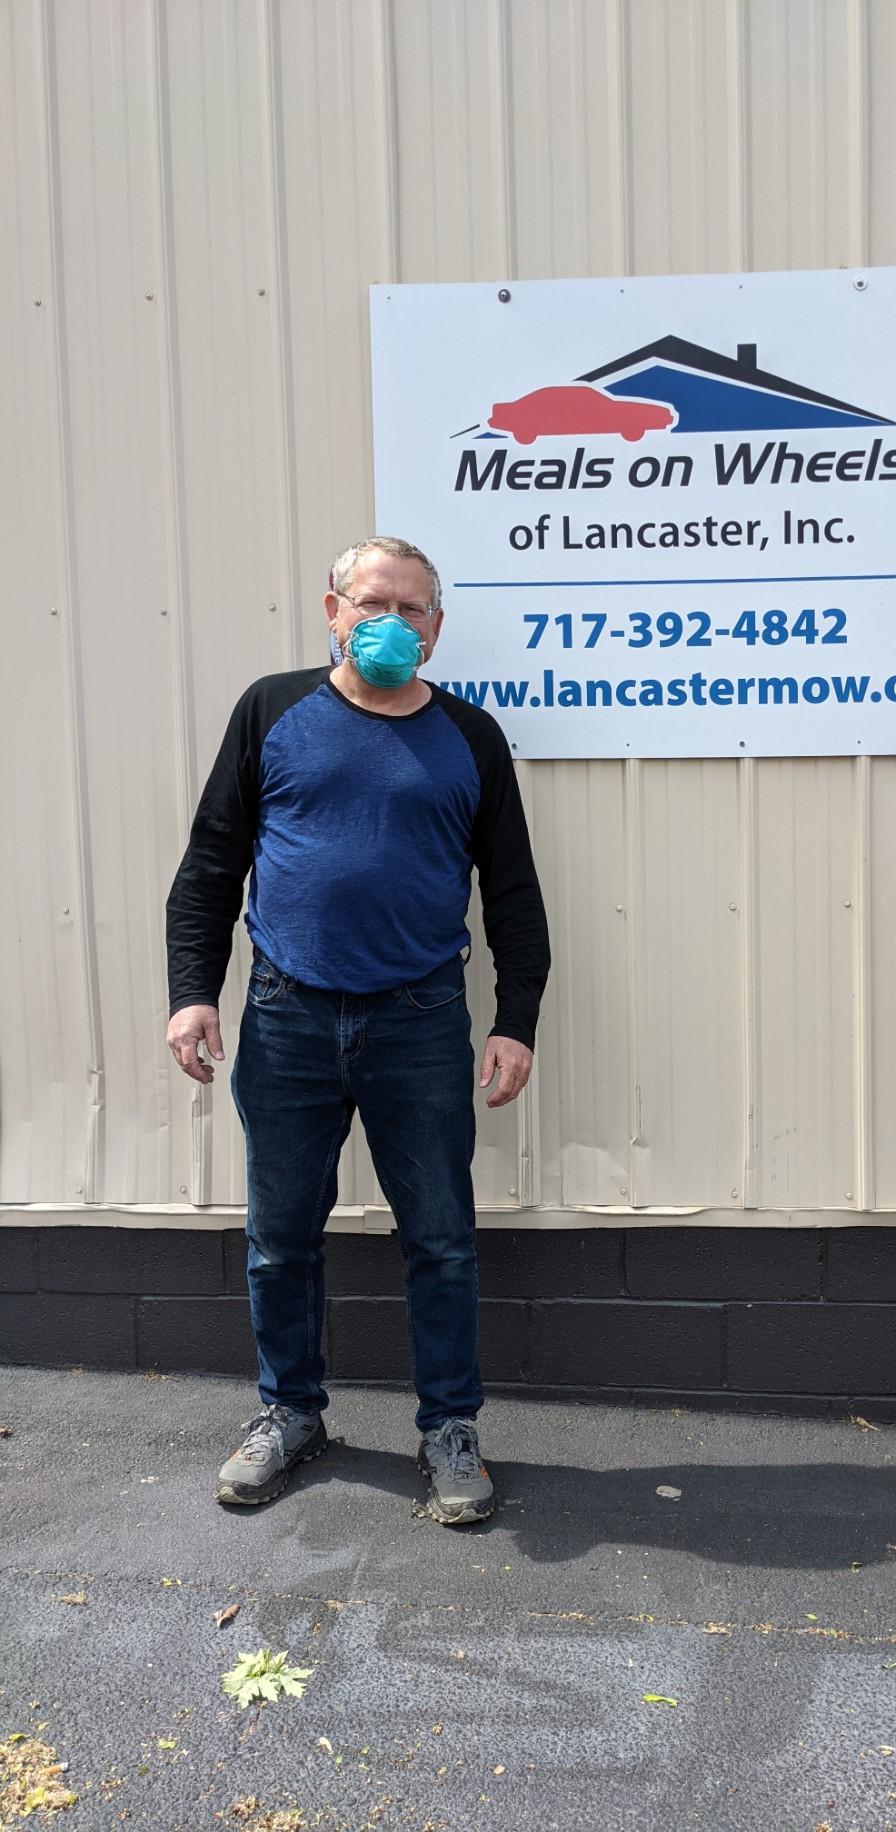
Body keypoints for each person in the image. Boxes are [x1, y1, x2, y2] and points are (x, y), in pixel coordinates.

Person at [165, 535, 549, 1525]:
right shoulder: (271, 710)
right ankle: (290, 1412)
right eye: (373, 603)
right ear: (332, 609)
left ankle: (450, 1426)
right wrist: (192, 988)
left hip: (420, 1018)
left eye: (413, 608)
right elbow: (212, 862)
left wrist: (515, 1019)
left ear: (437, 627)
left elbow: (511, 892)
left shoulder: (471, 735)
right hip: (289, 1013)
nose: (393, 622)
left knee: (442, 1238)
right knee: (279, 1234)